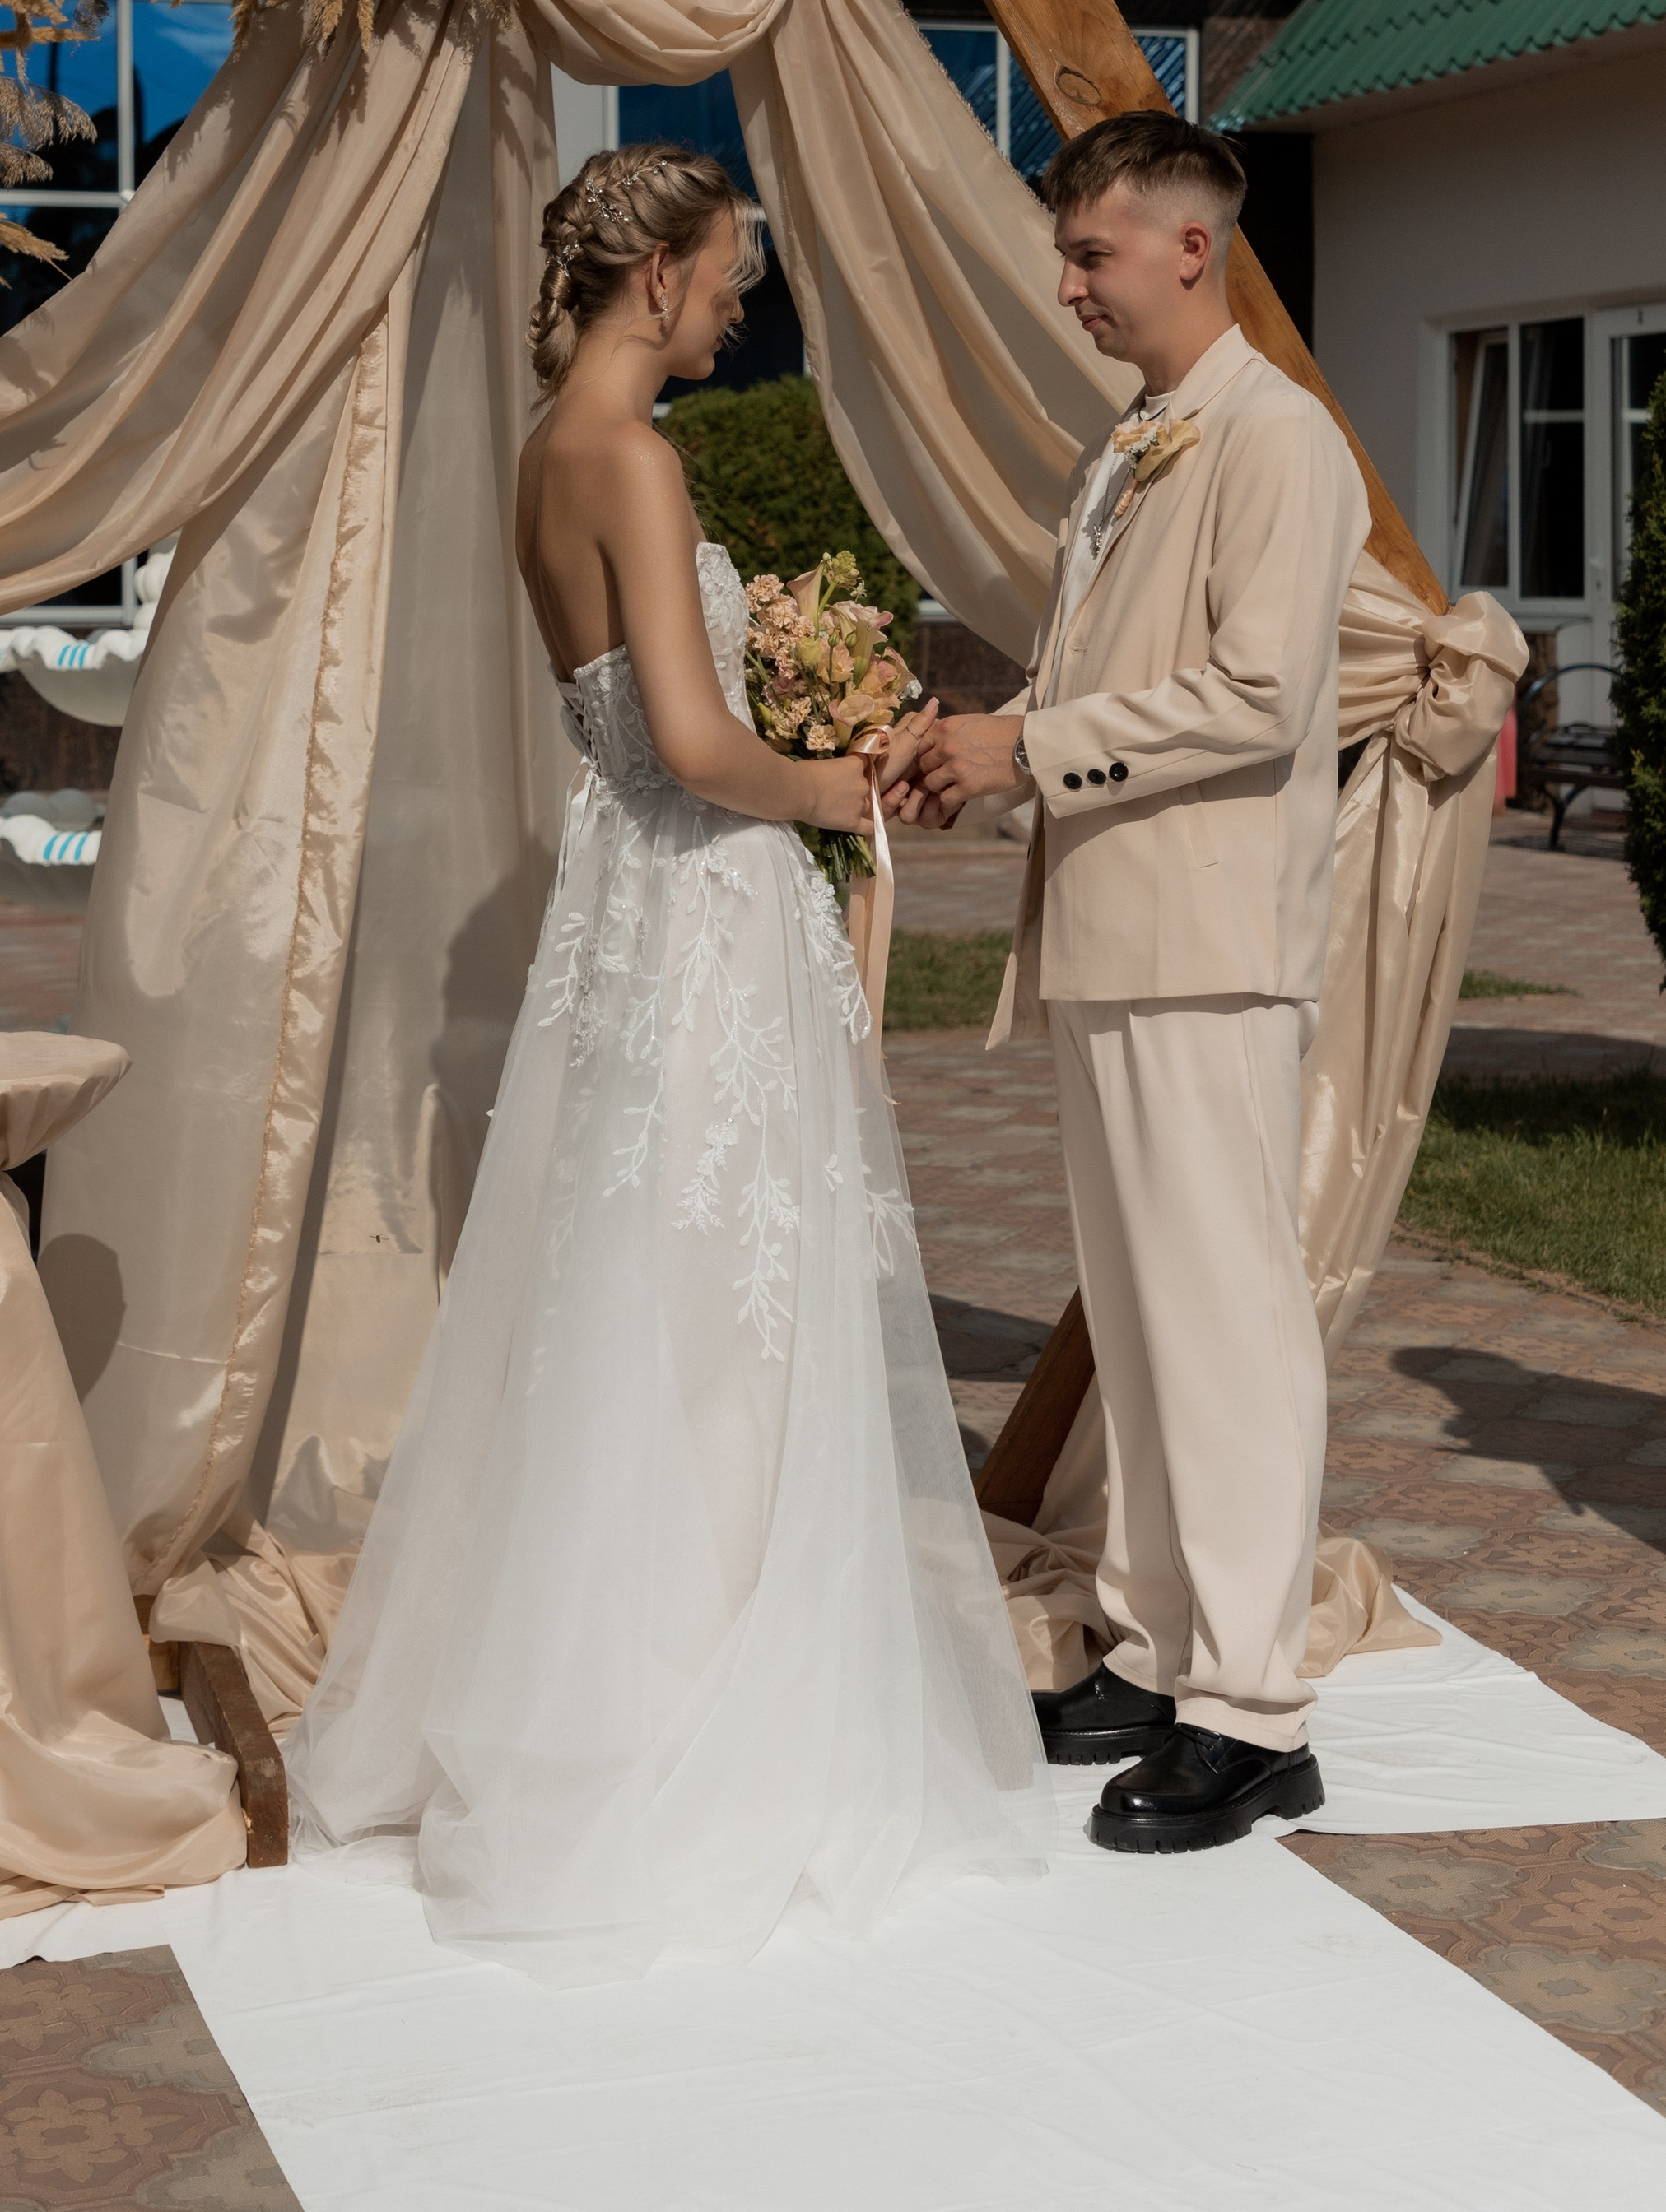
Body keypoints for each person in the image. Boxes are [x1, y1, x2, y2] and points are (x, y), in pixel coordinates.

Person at [286, 143, 1054, 1978]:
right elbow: (697, 743)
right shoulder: (631, 456)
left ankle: (614, 1679)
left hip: (620, 913)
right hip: (700, 902)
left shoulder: (546, 448)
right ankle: (706, 1711)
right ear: (655, 282)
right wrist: (842, 782)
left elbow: (620, 718)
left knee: (637, 1294)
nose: (735, 301)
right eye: (726, 275)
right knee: (722, 1312)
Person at [900, 112, 1367, 1856]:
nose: (1069, 284)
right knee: (1145, 1319)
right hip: (1118, 935)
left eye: (1090, 253)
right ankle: (1160, 1645)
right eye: (1065, 252)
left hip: (1210, 945)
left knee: (1223, 1322)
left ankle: (1251, 1711)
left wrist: (1026, 743)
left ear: (1190, 246)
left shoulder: (1278, 440)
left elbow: (1253, 695)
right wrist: (982, 746)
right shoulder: (1137, 445)